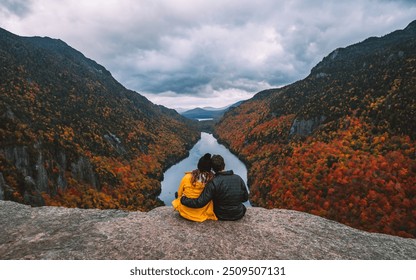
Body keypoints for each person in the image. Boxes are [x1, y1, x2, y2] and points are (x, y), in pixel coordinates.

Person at [181, 154, 248, 221]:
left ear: (212, 169)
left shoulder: (213, 182)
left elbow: (200, 202)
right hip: (238, 214)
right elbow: (245, 198)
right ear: (224, 165)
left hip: (221, 215)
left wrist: (183, 200)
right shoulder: (238, 178)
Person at [172, 153, 218, 222]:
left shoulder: (187, 177)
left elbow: (179, 194)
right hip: (201, 213)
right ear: (209, 168)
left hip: (185, 212)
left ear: (198, 166)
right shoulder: (211, 181)